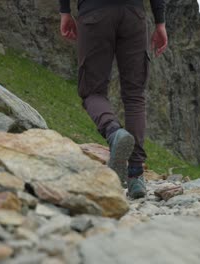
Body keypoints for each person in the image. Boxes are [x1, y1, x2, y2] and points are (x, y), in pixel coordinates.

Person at [59, 0, 168, 199]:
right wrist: (160, 22)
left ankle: (113, 131)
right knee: (134, 95)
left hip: (94, 14)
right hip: (133, 15)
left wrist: (65, 11)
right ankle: (135, 176)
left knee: (92, 92)